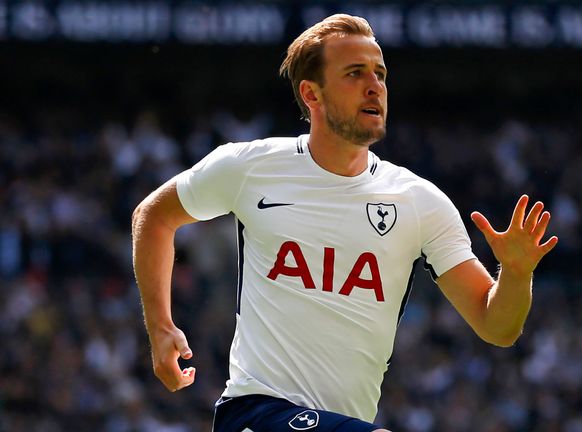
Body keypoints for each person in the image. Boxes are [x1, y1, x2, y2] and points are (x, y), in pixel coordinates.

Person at [131, 14, 558, 432]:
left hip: (347, 423)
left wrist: (517, 275)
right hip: (254, 414)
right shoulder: (249, 167)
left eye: (380, 73)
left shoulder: (419, 202)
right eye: (355, 73)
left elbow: (497, 326)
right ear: (312, 95)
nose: (375, 86)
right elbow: (153, 217)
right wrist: (161, 328)